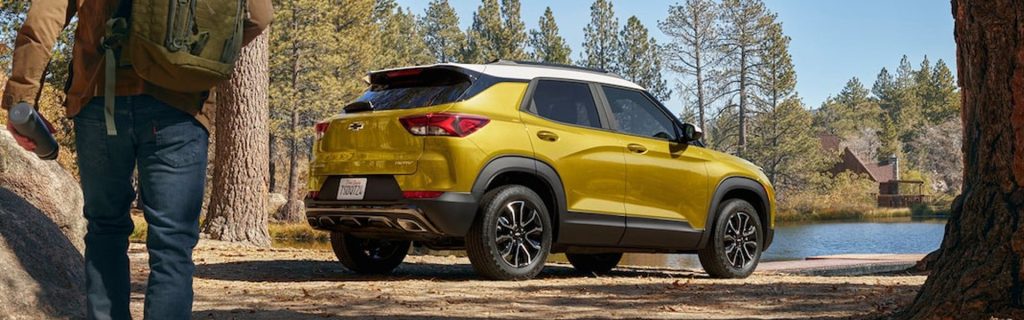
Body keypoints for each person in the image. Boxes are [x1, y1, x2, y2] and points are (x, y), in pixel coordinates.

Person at [2, 0, 272, 319]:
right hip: (179, 103)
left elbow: (44, 17)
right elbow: (259, 15)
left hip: (99, 97)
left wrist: (22, 99)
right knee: (172, 244)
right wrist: (197, 53)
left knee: (105, 230)